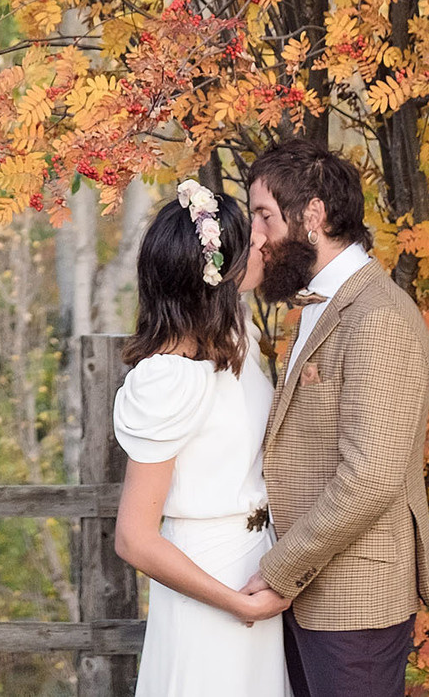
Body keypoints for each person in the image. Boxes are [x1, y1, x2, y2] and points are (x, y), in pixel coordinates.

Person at [238, 140, 429, 697]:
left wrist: (279, 570)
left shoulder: (377, 317)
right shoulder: (319, 304)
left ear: (314, 216)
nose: (255, 235)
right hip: (313, 595)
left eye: (263, 216)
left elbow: (369, 478)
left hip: (356, 600)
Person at [111, 178, 290, 697]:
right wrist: (238, 604)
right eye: (247, 235)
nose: (261, 238)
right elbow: (134, 538)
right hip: (208, 581)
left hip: (257, 559)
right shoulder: (165, 380)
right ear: (215, 274)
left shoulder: (235, 333)